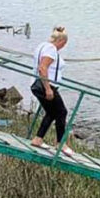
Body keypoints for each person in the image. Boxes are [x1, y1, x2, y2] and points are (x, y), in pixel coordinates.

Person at [30, 26, 74, 157]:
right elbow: (42, 68)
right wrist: (48, 89)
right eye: (64, 44)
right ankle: (61, 144)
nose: (63, 47)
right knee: (62, 112)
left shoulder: (42, 46)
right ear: (61, 41)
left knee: (51, 112)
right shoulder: (52, 49)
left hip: (36, 84)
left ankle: (38, 139)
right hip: (46, 85)